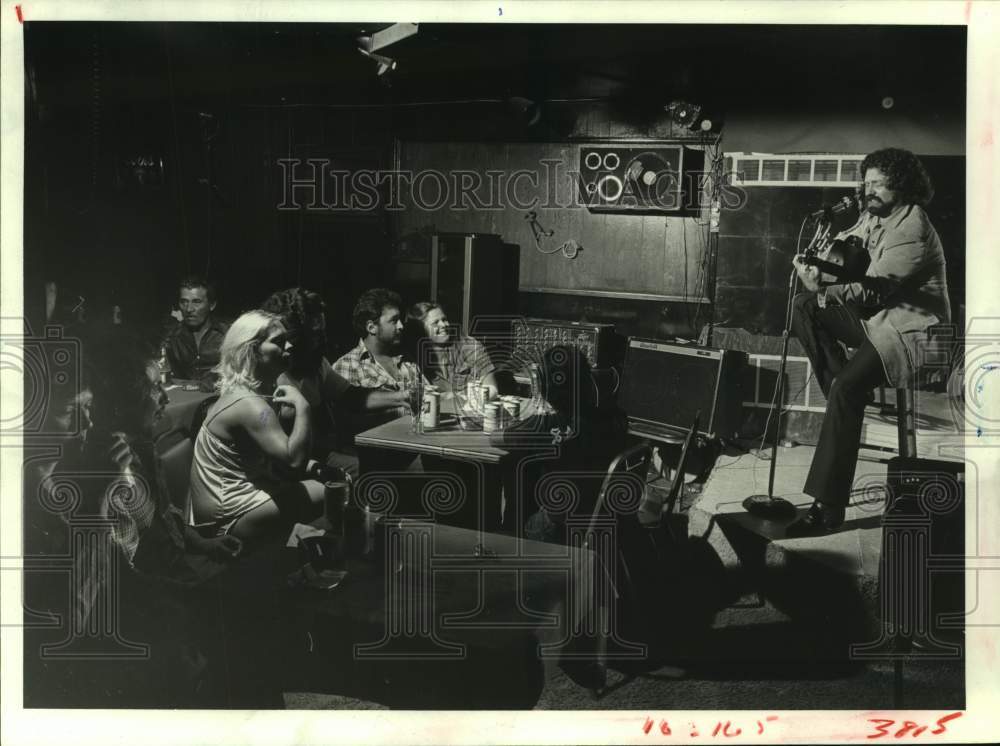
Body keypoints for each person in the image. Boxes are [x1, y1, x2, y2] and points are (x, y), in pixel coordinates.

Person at [788, 147, 951, 537]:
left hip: (910, 334)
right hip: (877, 323)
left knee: (845, 385)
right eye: (867, 181)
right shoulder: (874, 213)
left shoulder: (913, 229)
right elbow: (848, 241)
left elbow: (873, 292)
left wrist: (824, 283)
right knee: (804, 305)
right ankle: (846, 400)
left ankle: (828, 509)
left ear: (903, 187)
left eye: (879, 183)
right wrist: (823, 260)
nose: (869, 190)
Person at [189, 310, 324, 541]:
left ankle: (298, 545)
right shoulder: (250, 404)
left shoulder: (249, 393)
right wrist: (303, 407)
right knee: (332, 492)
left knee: (323, 484)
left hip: (224, 509)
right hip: (225, 521)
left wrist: (314, 466)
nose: (290, 346)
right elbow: (293, 462)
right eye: (279, 342)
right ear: (251, 349)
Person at [261, 287, 363, 476]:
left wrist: (403, 396)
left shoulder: (314, 363)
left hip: (312, 456)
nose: (321, 340)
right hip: (283, 465)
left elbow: (351, 395)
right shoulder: (268, 376)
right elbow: (274, 457)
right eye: (314, 334)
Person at [332, 288, 426, 438]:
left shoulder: (406, 360)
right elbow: (346, 424)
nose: (401, 326)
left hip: (418, 443)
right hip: (375, 453)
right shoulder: (347, 365)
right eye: (394, 321)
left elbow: (428, 396)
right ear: (371, 327)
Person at [405, 301, 500, 399]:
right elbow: (416, 398)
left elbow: (492, 389)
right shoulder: (412, 359)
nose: (444, 325)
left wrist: (450, 396)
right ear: (421, 330)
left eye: (444, 319)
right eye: (435, 323)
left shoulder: (470, 346)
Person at [164, 275, 229, 386]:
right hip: (185, 400)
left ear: (212, 305)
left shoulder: (228, 334)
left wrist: (219, 376)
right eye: (184, 302)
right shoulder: (170, 337)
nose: (189, 309)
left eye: (196, 302)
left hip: (220, 398)